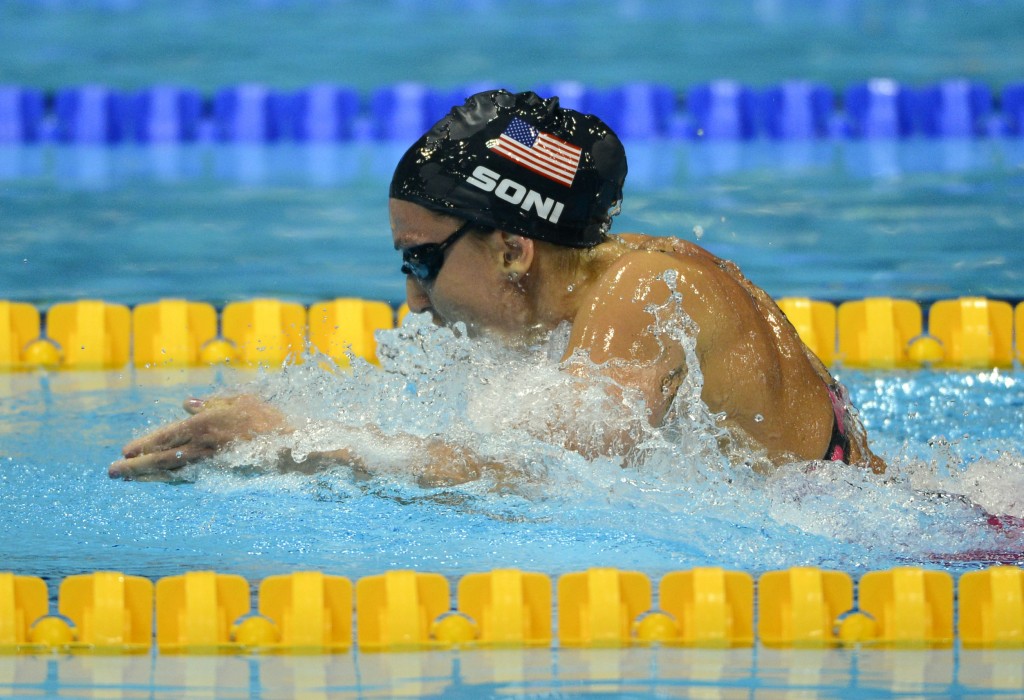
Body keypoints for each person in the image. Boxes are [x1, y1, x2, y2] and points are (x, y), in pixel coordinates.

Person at [111, 89, 884, 484]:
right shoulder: (614, 276)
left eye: (422, 261)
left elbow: (544, 480)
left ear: (515, 248)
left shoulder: (641, 296)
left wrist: (298, 445)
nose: (412, 299)